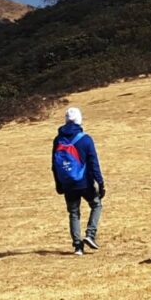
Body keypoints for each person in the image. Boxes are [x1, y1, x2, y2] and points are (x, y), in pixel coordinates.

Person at [52, 107, 104, 255]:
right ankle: (90, 234)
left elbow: (54, 165)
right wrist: (100, 183)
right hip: (84, 182)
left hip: (67, 183)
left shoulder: (58, 140)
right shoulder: (86, 139)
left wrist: (58, 184)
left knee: (74, 213)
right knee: (96, 205)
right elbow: (94, 163)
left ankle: (77, 247)